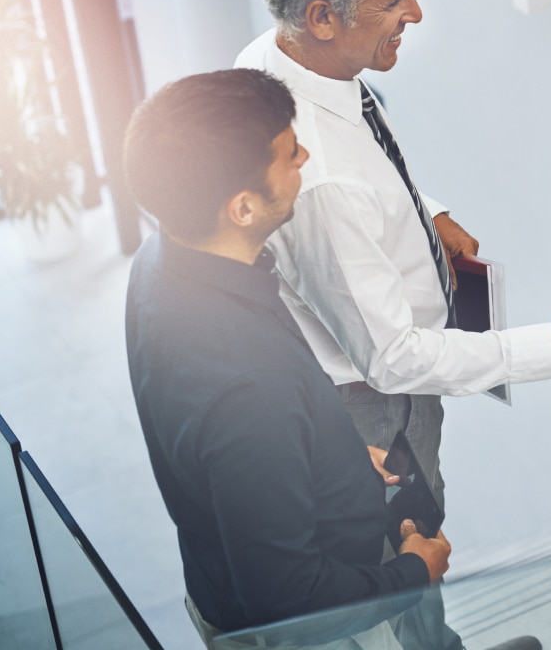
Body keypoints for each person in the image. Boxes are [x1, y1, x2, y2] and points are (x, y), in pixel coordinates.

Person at [236, 0, 551, 511]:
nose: (415, 13)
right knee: (407, 579)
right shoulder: (322, 185)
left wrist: (427, 212)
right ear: (321, 18)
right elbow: (392, 360)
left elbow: (359, 163)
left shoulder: (275, 60)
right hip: (374, 415)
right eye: (393, 2)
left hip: (366, 376)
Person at [121, 69, 451, 645]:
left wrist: (335, 456)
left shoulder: (159, 260)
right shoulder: (248, 388)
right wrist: (413, 573)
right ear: (242, 208)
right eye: (288, 152)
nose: (304, 156)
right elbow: (289, 599)